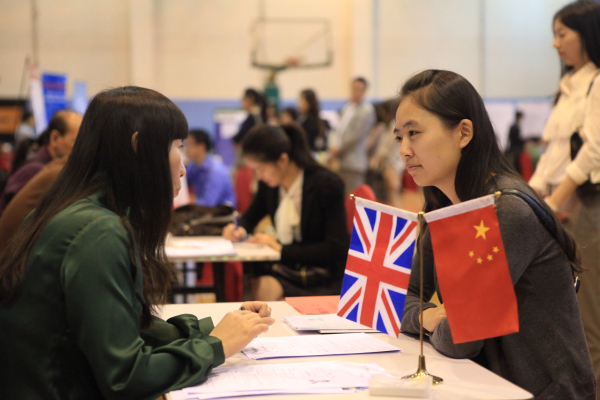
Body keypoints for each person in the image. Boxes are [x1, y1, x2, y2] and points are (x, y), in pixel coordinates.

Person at [0, 86, 274, 400]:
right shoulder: (98, 231)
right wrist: (216, 347)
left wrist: (212, 330)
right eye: (177, 147)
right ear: (138, 146)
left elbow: (123, 325)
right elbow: (124, 378)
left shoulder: (67, 210)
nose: (183, 167)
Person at [397, 70, 595, 399]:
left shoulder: (506, 211)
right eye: (398, 137)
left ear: (463, 133)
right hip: (485, 384)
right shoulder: (444, 207)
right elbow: (399, 301)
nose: (403, 150)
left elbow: (459, 339)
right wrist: (432, 317)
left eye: (414, 133)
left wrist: (426, 319)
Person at [527, 1, 600, 390]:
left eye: (562, 34)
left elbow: (593, 149)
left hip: (587, 206)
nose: (555, 44)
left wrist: (555, 202)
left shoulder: (597, 82)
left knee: (587, 318)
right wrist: (532, 197)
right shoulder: (568, 86)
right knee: (563, 310)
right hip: (560, 207)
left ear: (587, 34)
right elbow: (553, 155)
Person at [222, 123, 348, 300]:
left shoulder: (326, 185)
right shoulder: (270, 186)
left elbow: (335, 248)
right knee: (259, 282)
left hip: (321, 274)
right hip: (289, 267)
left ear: (282, 160)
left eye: (261, 169)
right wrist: (239, 229)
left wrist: (281, 249)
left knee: (264, 287)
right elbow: (249, 217)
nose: (259, 176)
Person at [0, 109, 82, 215]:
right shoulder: (36, 170)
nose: (81, 148)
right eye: (76, 141)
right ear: (55, 138)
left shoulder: (42, 167)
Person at [329, 77, 376, 195]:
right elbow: (337, 130)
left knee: (353, 199)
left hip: (354, 161)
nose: (356, 91)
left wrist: (338, 149)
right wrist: (333, 145)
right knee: (342, 199)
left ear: (365, 91)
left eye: (360, 89)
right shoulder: (347, 107)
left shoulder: (366, 110)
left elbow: (355, 136)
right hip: (341, 160)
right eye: (354, 88)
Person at [185, 129, 235, 207]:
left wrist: (188, 200)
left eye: (189, 144)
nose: (186, 148)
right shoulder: (193, 166)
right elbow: (183, 185)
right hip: (206, 211)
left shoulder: (215, 171)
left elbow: (208, 203)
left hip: (221, 214)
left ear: (201, 146)